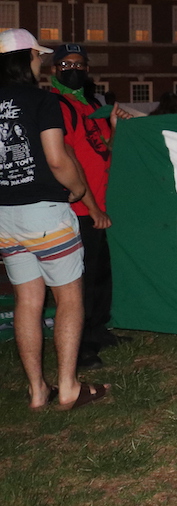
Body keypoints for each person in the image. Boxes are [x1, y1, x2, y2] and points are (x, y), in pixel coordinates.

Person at [0, 29, 108, 411]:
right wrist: (78, 189)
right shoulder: (42, 101)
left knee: (27, 301)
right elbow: (58, 158)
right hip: (45, 212)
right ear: (27, 58)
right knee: (69, 298)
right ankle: (68, 387)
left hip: (5, 216)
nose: (40, 63)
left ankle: (36, 391)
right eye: (37, 57)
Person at [48, 44, 128, 371]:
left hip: (100, 204)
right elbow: (66, 159)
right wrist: (92, 207)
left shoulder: (91, 105)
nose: (74, 69)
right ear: (54, 69)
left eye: (80, 64)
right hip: (80, 209)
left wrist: (115, 125)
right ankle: (80, 347)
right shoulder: (58, 106)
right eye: (66, 63)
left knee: (101, 276)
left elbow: (104, 150)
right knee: (81, 282)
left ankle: (97, 331)